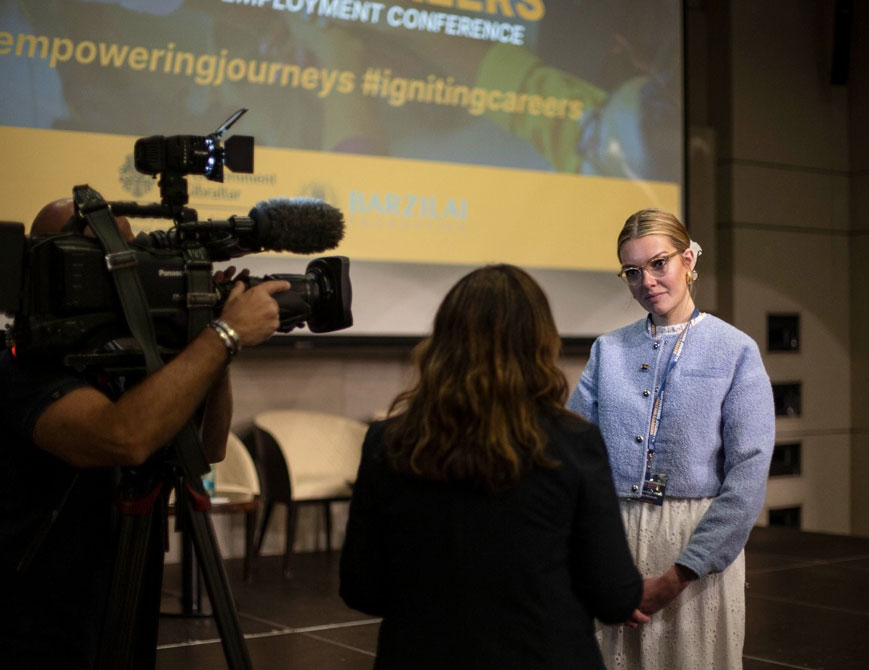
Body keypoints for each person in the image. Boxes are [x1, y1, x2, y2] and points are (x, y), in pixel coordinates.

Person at [0, 198, 291, 669]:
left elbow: (207, 447)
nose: (129, 272)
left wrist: (205, 335)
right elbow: (123, 437)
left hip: (120, 588)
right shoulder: (20, 367)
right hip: (38, 607)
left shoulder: (120, 357)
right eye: (110, 257)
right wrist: (224, 335)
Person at [339, 264, 647, 670]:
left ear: (443, 342)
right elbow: (615, 598)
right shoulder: (573, 443)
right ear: (541, 343)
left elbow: (362, 590)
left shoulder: (389, 442)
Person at [568, 208, 775, 670]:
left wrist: (682, 573)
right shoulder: (608, 349)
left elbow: (748, 475)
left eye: (658, 263)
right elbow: (571, 451)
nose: (648, 281)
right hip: (612, 542)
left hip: (694, 548)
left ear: (688, 261)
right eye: (633, 272)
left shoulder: (735, 350)